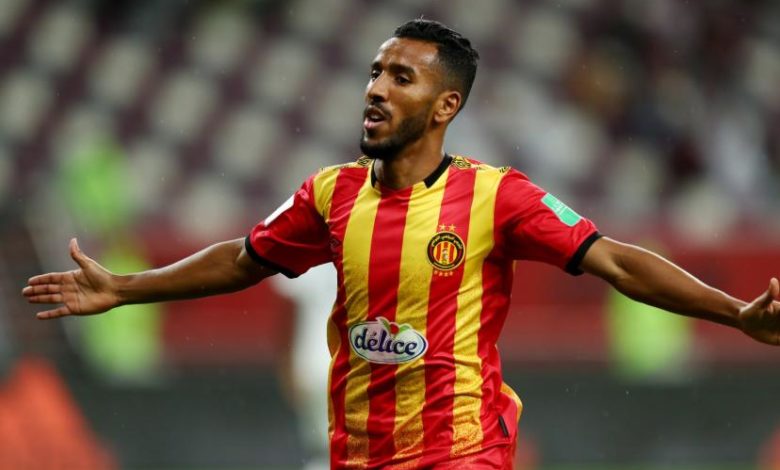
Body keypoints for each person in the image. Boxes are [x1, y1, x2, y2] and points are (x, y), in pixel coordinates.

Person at [22, 19, 779, 470]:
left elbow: (615, 259)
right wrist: (126, 287)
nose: (377, 88)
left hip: (460, 455)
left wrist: (733, 312)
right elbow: (242, 259)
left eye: (403, 77)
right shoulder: (330, 194)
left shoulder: (496, 196)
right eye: (377, 71)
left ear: (445, 104)